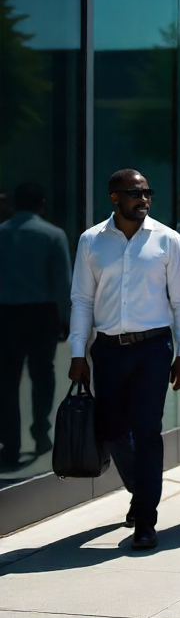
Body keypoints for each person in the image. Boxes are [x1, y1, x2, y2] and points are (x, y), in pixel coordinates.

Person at [69, 170, 180, 550]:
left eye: (147, 193)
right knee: (111, 431)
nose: (143, 199)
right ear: (114, 198)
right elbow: (82, 300)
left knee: (147, 432)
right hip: (108, 350)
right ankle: (141, 492)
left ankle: (145, 519)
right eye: (135, 193)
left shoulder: (167, 239)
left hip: (152, 349)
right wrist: (78, 352)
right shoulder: (91, 241)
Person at [0, 182, 72, 469]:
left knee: (7, 381)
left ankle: (10, 443)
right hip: (42, 313)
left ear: (14, 203)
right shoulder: (53, 235)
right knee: (43, 374)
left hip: (6, 314)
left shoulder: (2, 233)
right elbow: (62, 281)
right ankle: (41, 429)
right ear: (41, 204)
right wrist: (66, 318)